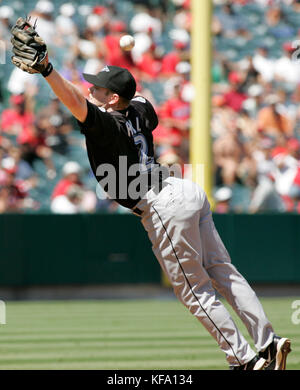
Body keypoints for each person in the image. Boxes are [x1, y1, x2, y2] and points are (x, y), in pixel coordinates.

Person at [10, 17, 292, 370]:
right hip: (184, 188)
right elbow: (134, 94)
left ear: (112, 99)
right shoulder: (141, 107)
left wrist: (48, 69)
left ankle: (245, 359)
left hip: (161, 203)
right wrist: (119, 72)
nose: (89, 90)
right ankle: (268, 342)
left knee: (194, 290)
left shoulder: (108, 124)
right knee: (224, 271)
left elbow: (75, 103)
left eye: (97, 89)